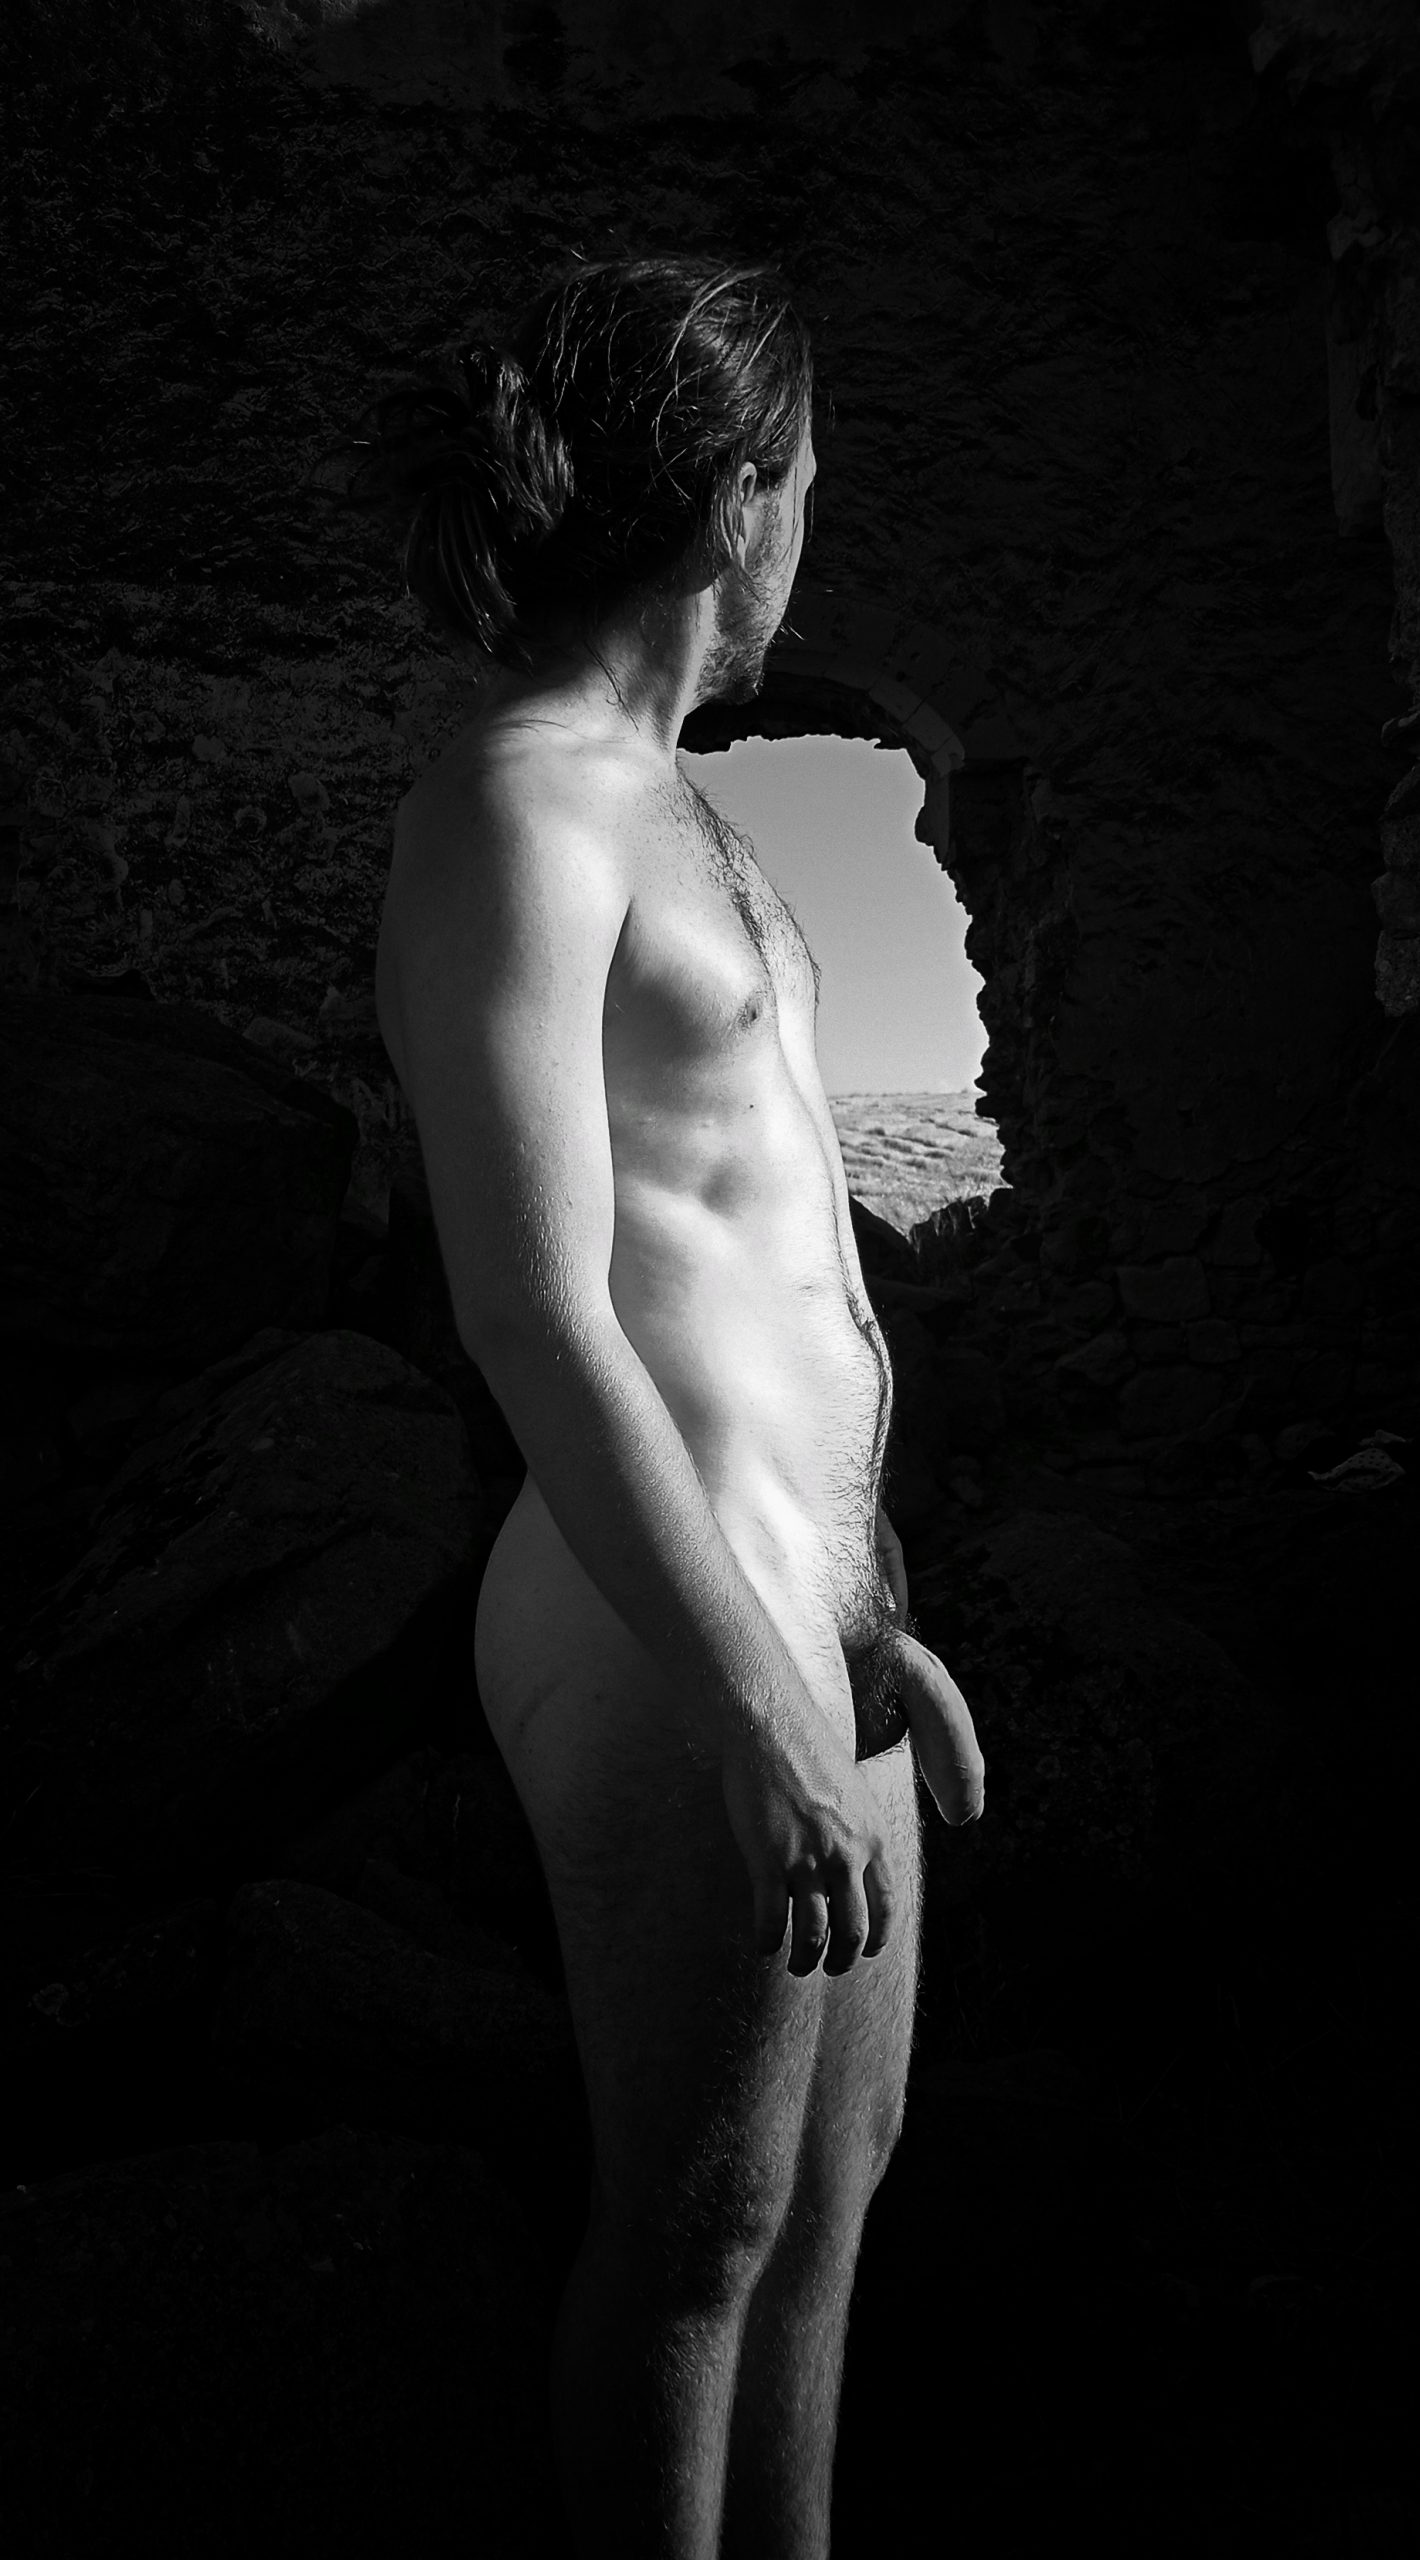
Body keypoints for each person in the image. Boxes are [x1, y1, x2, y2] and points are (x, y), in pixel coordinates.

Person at [354, 254, 984, 2560]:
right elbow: (534, 1306)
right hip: (659, 1621)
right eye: (804, 480)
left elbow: (762, 1268)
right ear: (734, 497)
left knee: (827, 2200)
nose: (808, 528)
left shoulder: (677, 813)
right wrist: (745, 1690)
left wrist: (861, 1609)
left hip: (806, 1611)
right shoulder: (517, 801)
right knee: (698, 2224)